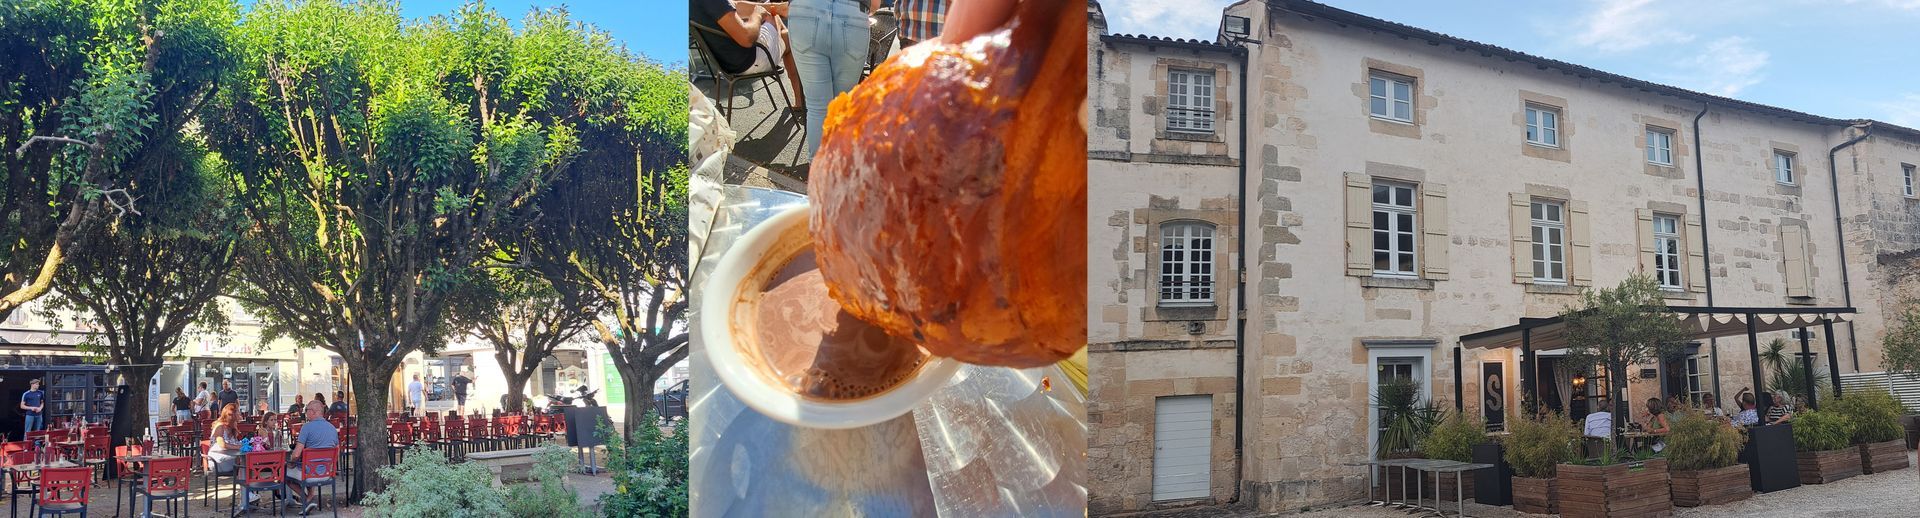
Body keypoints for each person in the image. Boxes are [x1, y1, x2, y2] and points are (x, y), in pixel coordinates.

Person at [787, 0, 880, 156]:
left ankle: (818, 174)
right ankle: (837, 171)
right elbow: (875, 4)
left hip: (805, 11)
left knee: (817, 107)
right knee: (842, 105)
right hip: (852, 12)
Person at [692, 0, 806, 111]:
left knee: (781, 27)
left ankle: (800, 100)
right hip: (748, 61)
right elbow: (747, 38)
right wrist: (757, 14)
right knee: (779, 24)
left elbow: (735, 5)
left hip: (726, 63)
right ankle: (802, 99)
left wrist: (772, 6)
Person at [286, 400, 338, 514]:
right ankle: (309, 499)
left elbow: (296, 454)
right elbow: (337, 452)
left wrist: (291, 463)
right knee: (307, 465)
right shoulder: (332, 429)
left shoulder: (306, 427)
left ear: (313, 412)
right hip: (327, 473)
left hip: (310, 473)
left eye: (307, 410)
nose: (305, 413)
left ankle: (307, 499)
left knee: (284, 474)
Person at [206, 403, 244, 475]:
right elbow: (222, 444)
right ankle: (246, 482)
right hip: (218, 459)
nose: (239, 413)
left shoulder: (232, 427)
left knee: (246, 459)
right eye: (238, 411)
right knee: (245, 461)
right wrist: (240, 447)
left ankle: (247, 481)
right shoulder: (220, 426)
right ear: (231, 414)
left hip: (229, 456)